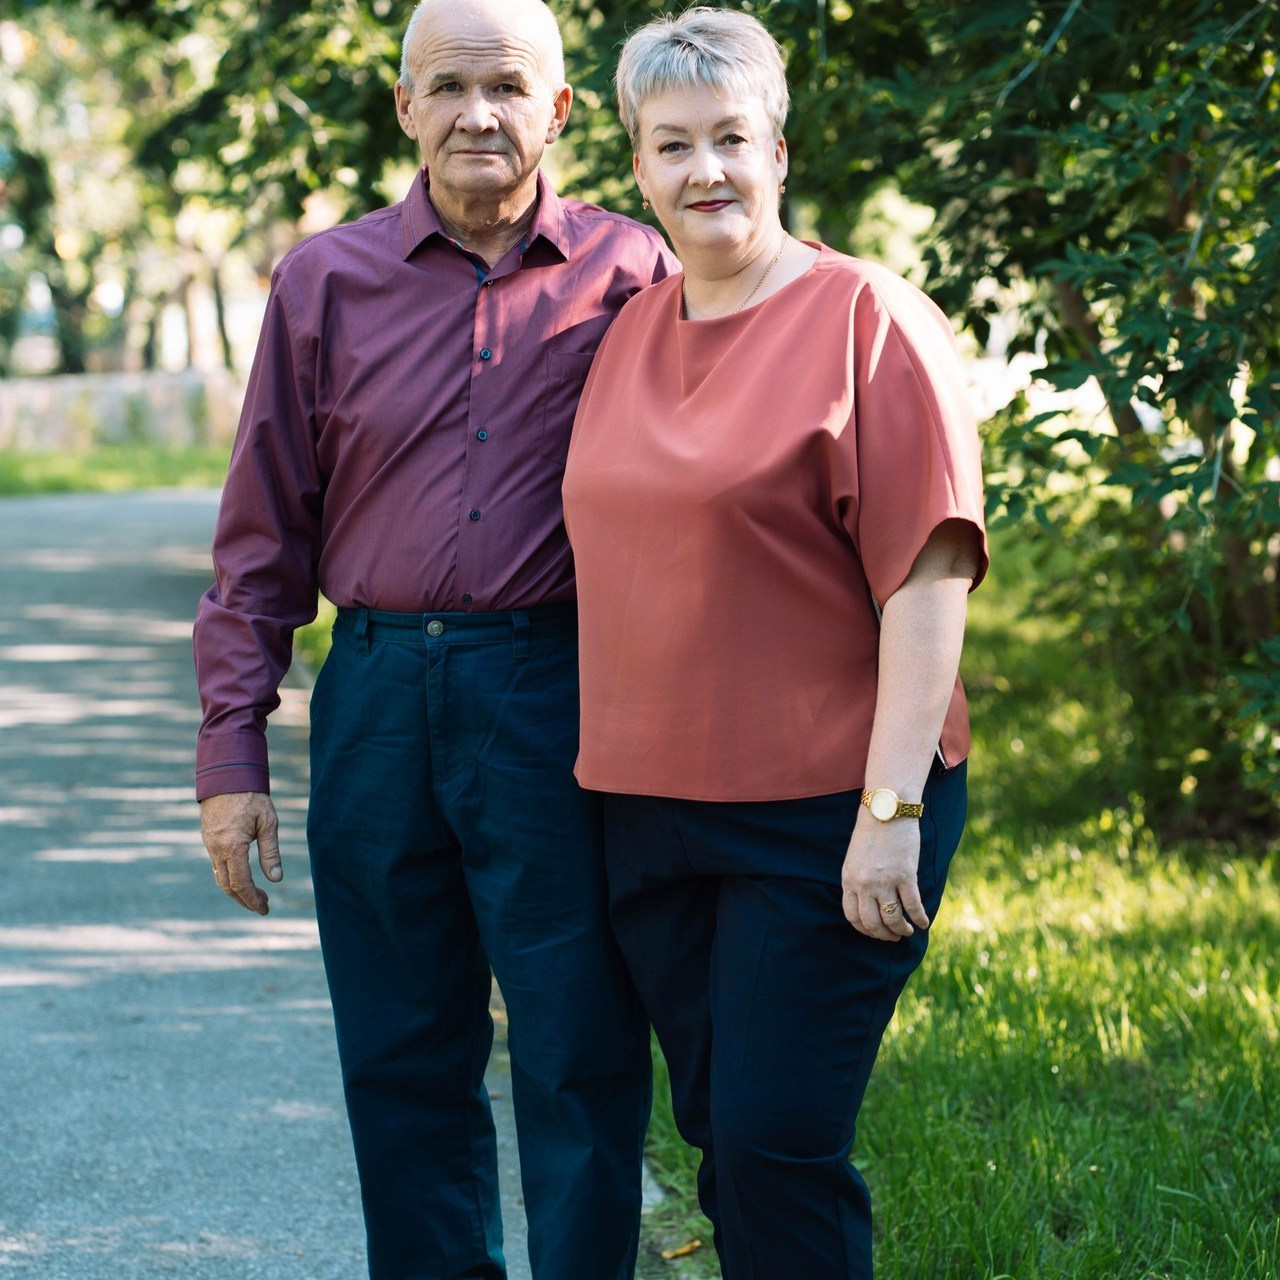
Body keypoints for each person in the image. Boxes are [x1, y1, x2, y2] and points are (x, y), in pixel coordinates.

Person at [193, 2, 677, 1277]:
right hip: (376, 697)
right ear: (402, 107)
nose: (478, 113)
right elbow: (259, 534)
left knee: (578, 1042)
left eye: (508, 86)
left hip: (556, 691)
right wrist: (231, 753)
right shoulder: (321, 280)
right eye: (447, 86)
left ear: (561, 111)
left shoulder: (639, 274)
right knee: (401, 1049)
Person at [561, 9, 988, 1278]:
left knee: (775, 1138)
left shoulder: (868, 317)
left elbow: (928, 575)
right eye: (672, 143)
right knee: (717, 1133)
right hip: (645, 813)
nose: (705, 171)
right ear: (635, 167)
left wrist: (889, 804)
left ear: (781, 151)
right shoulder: (626, 331)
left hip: (823, 809)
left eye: (731, 139)